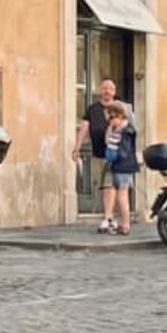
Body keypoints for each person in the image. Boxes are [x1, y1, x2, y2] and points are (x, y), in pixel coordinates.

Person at [69, 79, 120, 232]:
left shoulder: (119, 108)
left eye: (110, 88)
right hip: (97, 153)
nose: (107, 91)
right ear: (100, 90)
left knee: (109, 185)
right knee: (103, 185)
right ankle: (109, 217)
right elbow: (84, 128)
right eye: (104, 88)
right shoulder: (92, 109)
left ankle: (108, 217)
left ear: (114, 92)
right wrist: (77, 148)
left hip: (114, 153)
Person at [100, 101, 140, 235]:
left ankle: (126, 224)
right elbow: (107, 142)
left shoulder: (127, 130)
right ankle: (123, 223)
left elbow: (120, 149)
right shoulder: (118, 129)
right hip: (118, 165)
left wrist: (114, 129)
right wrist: (111, 127)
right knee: (119, 196)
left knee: (122, 196)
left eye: (112, 117)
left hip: (124, 166)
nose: (110, 120)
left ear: (120, 115)